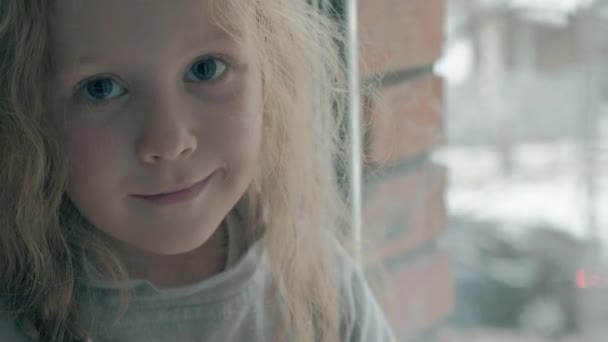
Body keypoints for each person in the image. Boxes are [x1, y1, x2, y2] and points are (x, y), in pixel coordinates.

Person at [0, 0, 396, 341]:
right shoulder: (17, 316)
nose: (169, 141)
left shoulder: (321, 289)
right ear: (29, 115)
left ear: (268, 73)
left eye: (206, 69)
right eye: (101, 88)